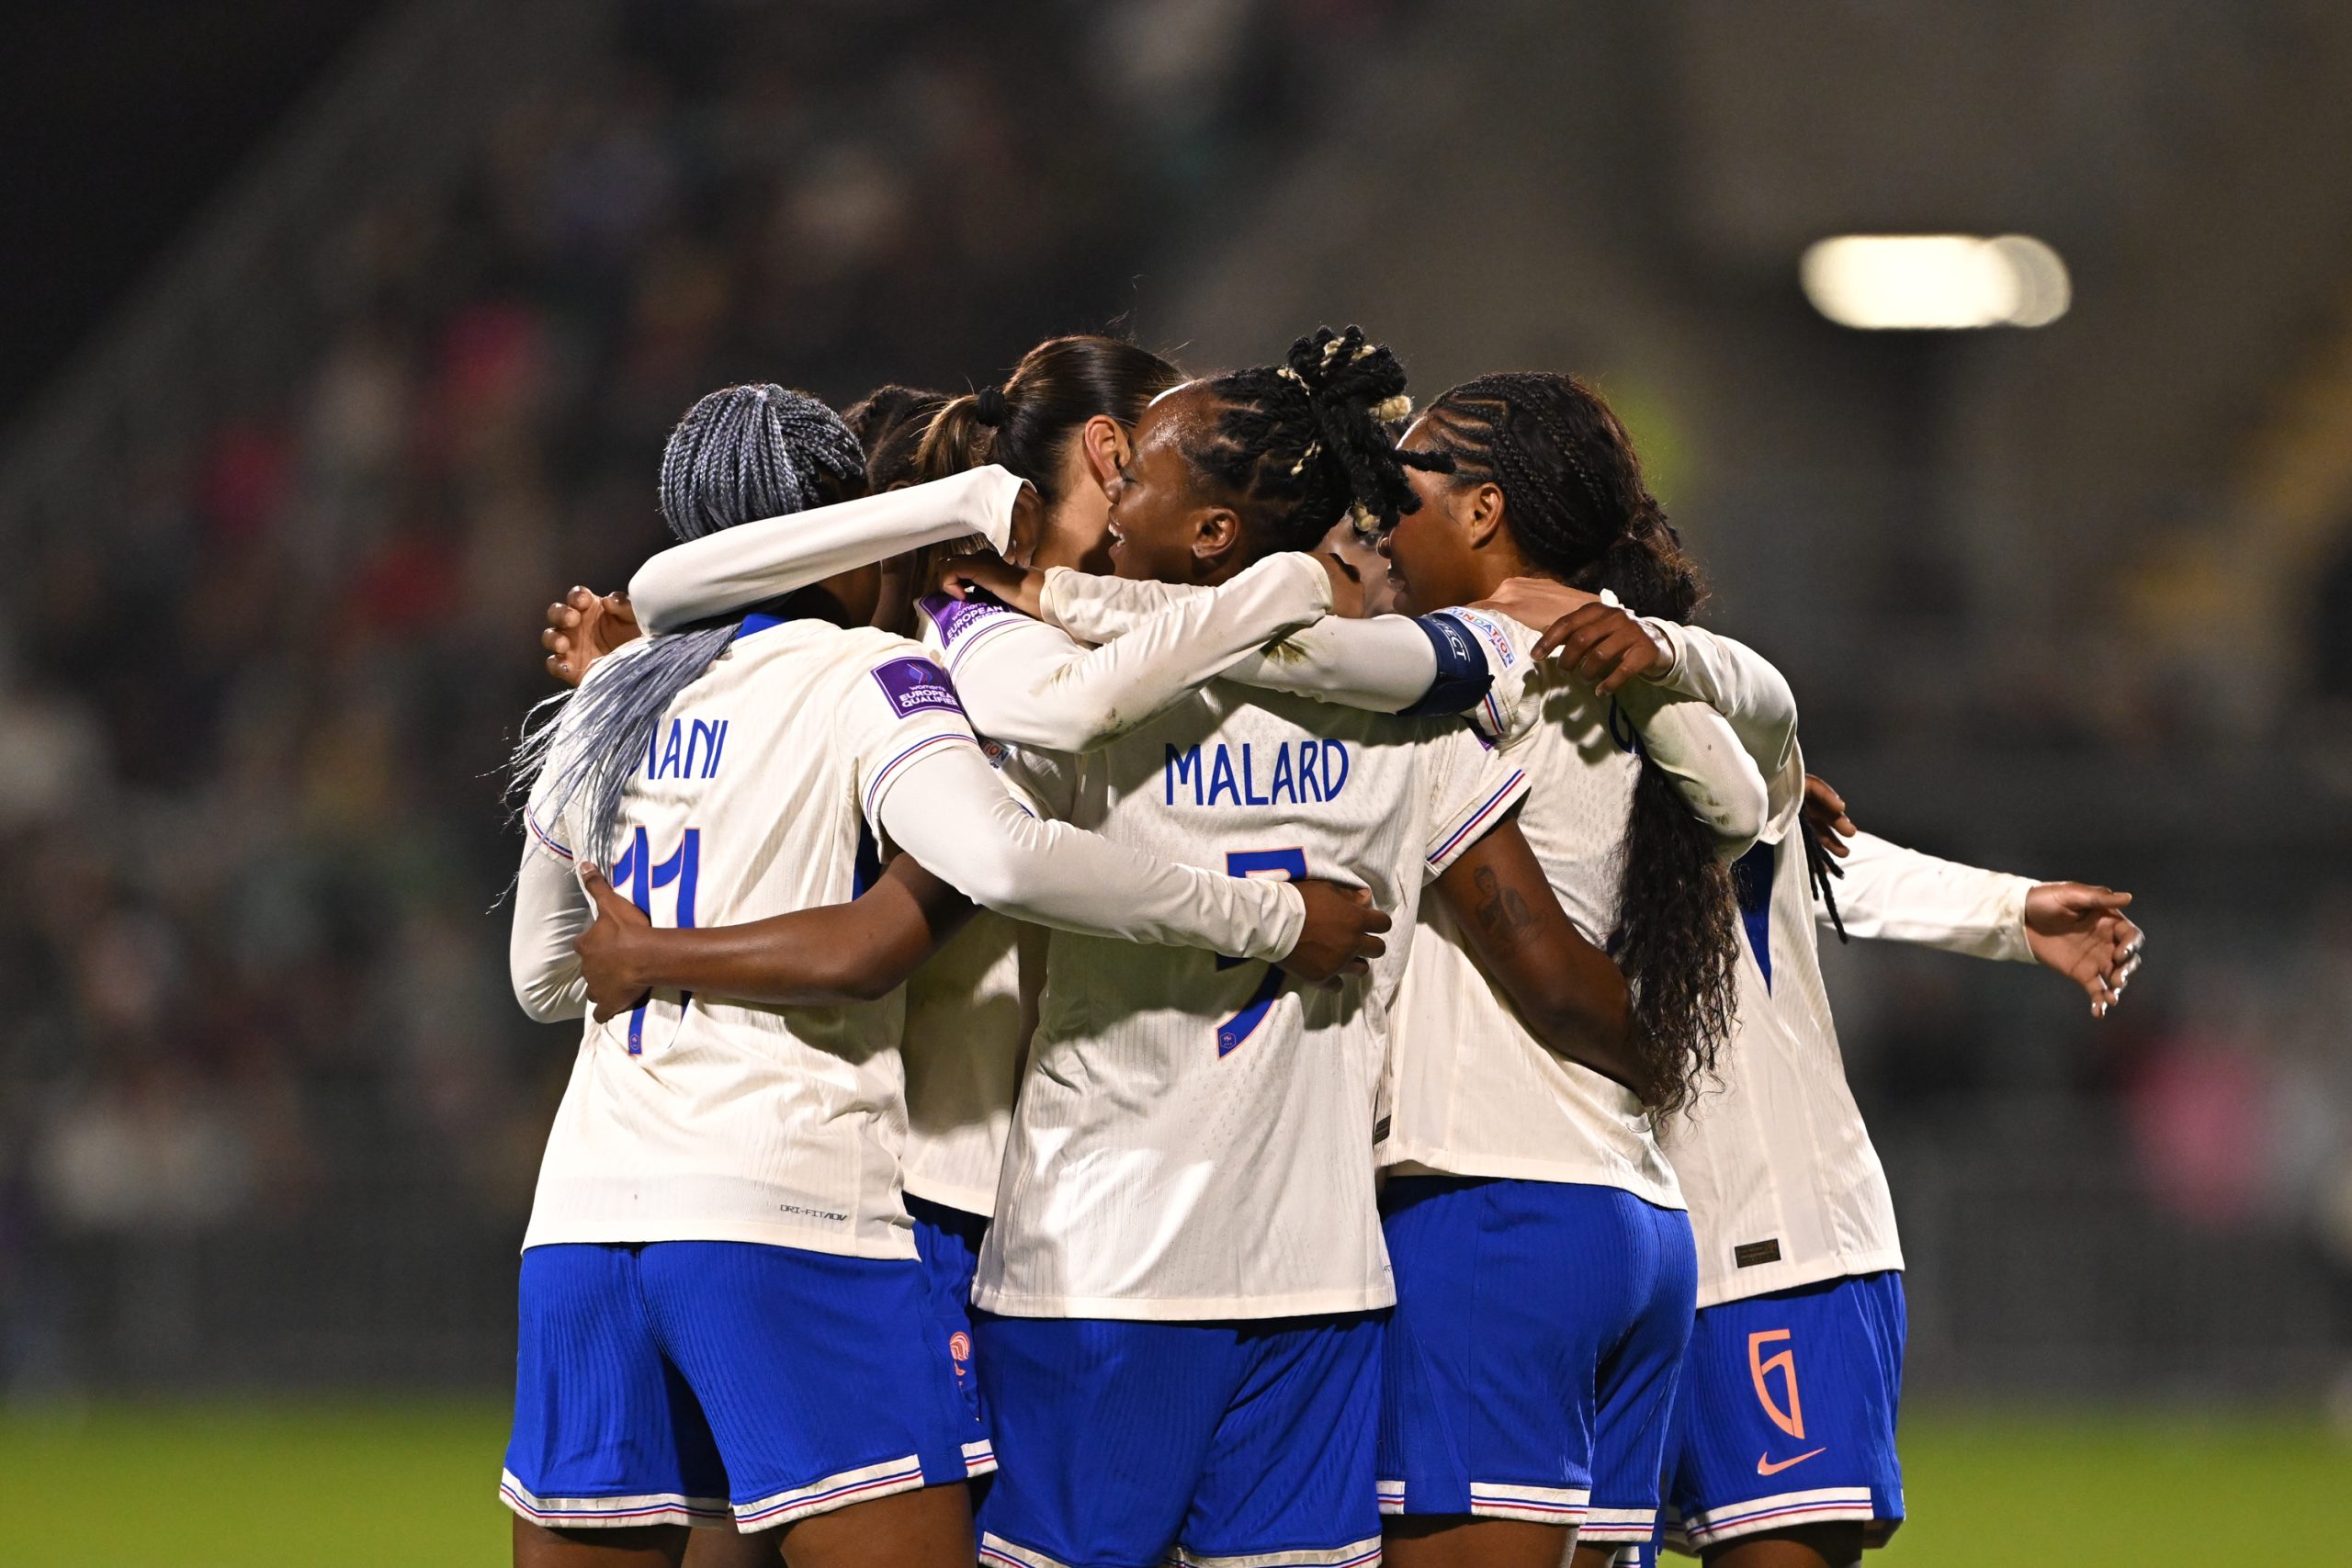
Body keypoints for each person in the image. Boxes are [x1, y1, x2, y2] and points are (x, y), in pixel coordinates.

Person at [499, 383, 1383, 1568]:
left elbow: (548, 980)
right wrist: (1268, 915)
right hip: (786, 1203)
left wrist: (656, 954)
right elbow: (1003, 857)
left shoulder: (605, 701)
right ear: (849, 530)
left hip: (583, 1220)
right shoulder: (872, 675)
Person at [989, 370, 1762, 1567]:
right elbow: (1740, 804)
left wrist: (1036, 596)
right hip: (1535, 1233)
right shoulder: (1508, 693)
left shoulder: (1399, 686)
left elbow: (1006, 857)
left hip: (1426, 1213)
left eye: (1411, 487)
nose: (1386, 517)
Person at [1492, 590, 2141, 1568]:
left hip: (1768, 1245)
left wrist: (2005, 912)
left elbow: (1788, 821)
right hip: (1594, 1246)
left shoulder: (1706, 736)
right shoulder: (1471, 728)